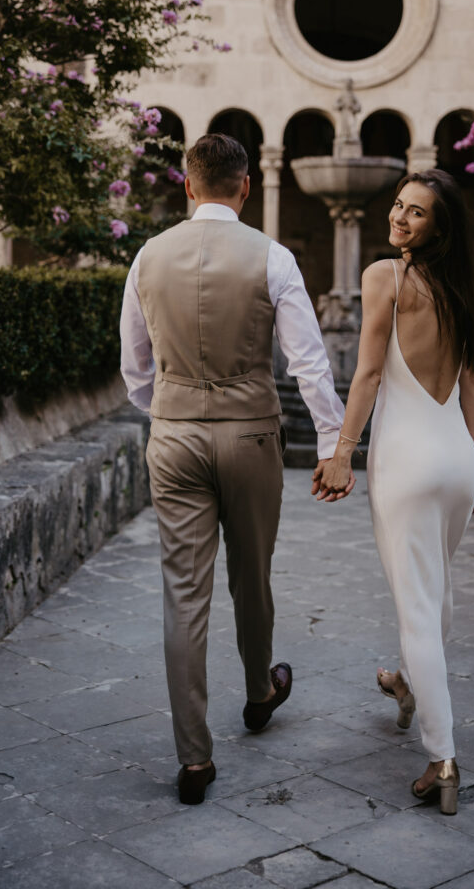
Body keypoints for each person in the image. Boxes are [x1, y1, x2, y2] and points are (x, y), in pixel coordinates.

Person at [120, 133, 351, 805]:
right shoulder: (271, 257)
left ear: (186, 185)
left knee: (182, 595)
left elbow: (135, 367)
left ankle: (193, 760)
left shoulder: (147, 257)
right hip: (250, 437)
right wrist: (334, 445)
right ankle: (258, 694)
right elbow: (308, 361)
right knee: (252, 576)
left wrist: (171, 411)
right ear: (244, 186)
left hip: (174, 434)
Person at [313, 169, 474, 816]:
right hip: (455, 460)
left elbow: (363, 376)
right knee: (432, 590)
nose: (399, 218)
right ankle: (405, 684)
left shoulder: (384, 278)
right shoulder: (466, 288)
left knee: (418, 608)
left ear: (437, 227)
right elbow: (471, 385)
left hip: (407, 466)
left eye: (416, 213)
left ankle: (441, 757)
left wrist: (339, 453)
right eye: (398, 206)